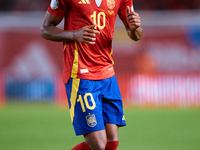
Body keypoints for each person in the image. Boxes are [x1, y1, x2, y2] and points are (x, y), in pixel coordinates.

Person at [40, 0, 143, 149]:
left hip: (108, 74)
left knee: (111, 142)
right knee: (98, 144)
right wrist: (75, 34)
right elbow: (45, 29)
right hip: (81, 74)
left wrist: (135, 28)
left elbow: (136, 35)